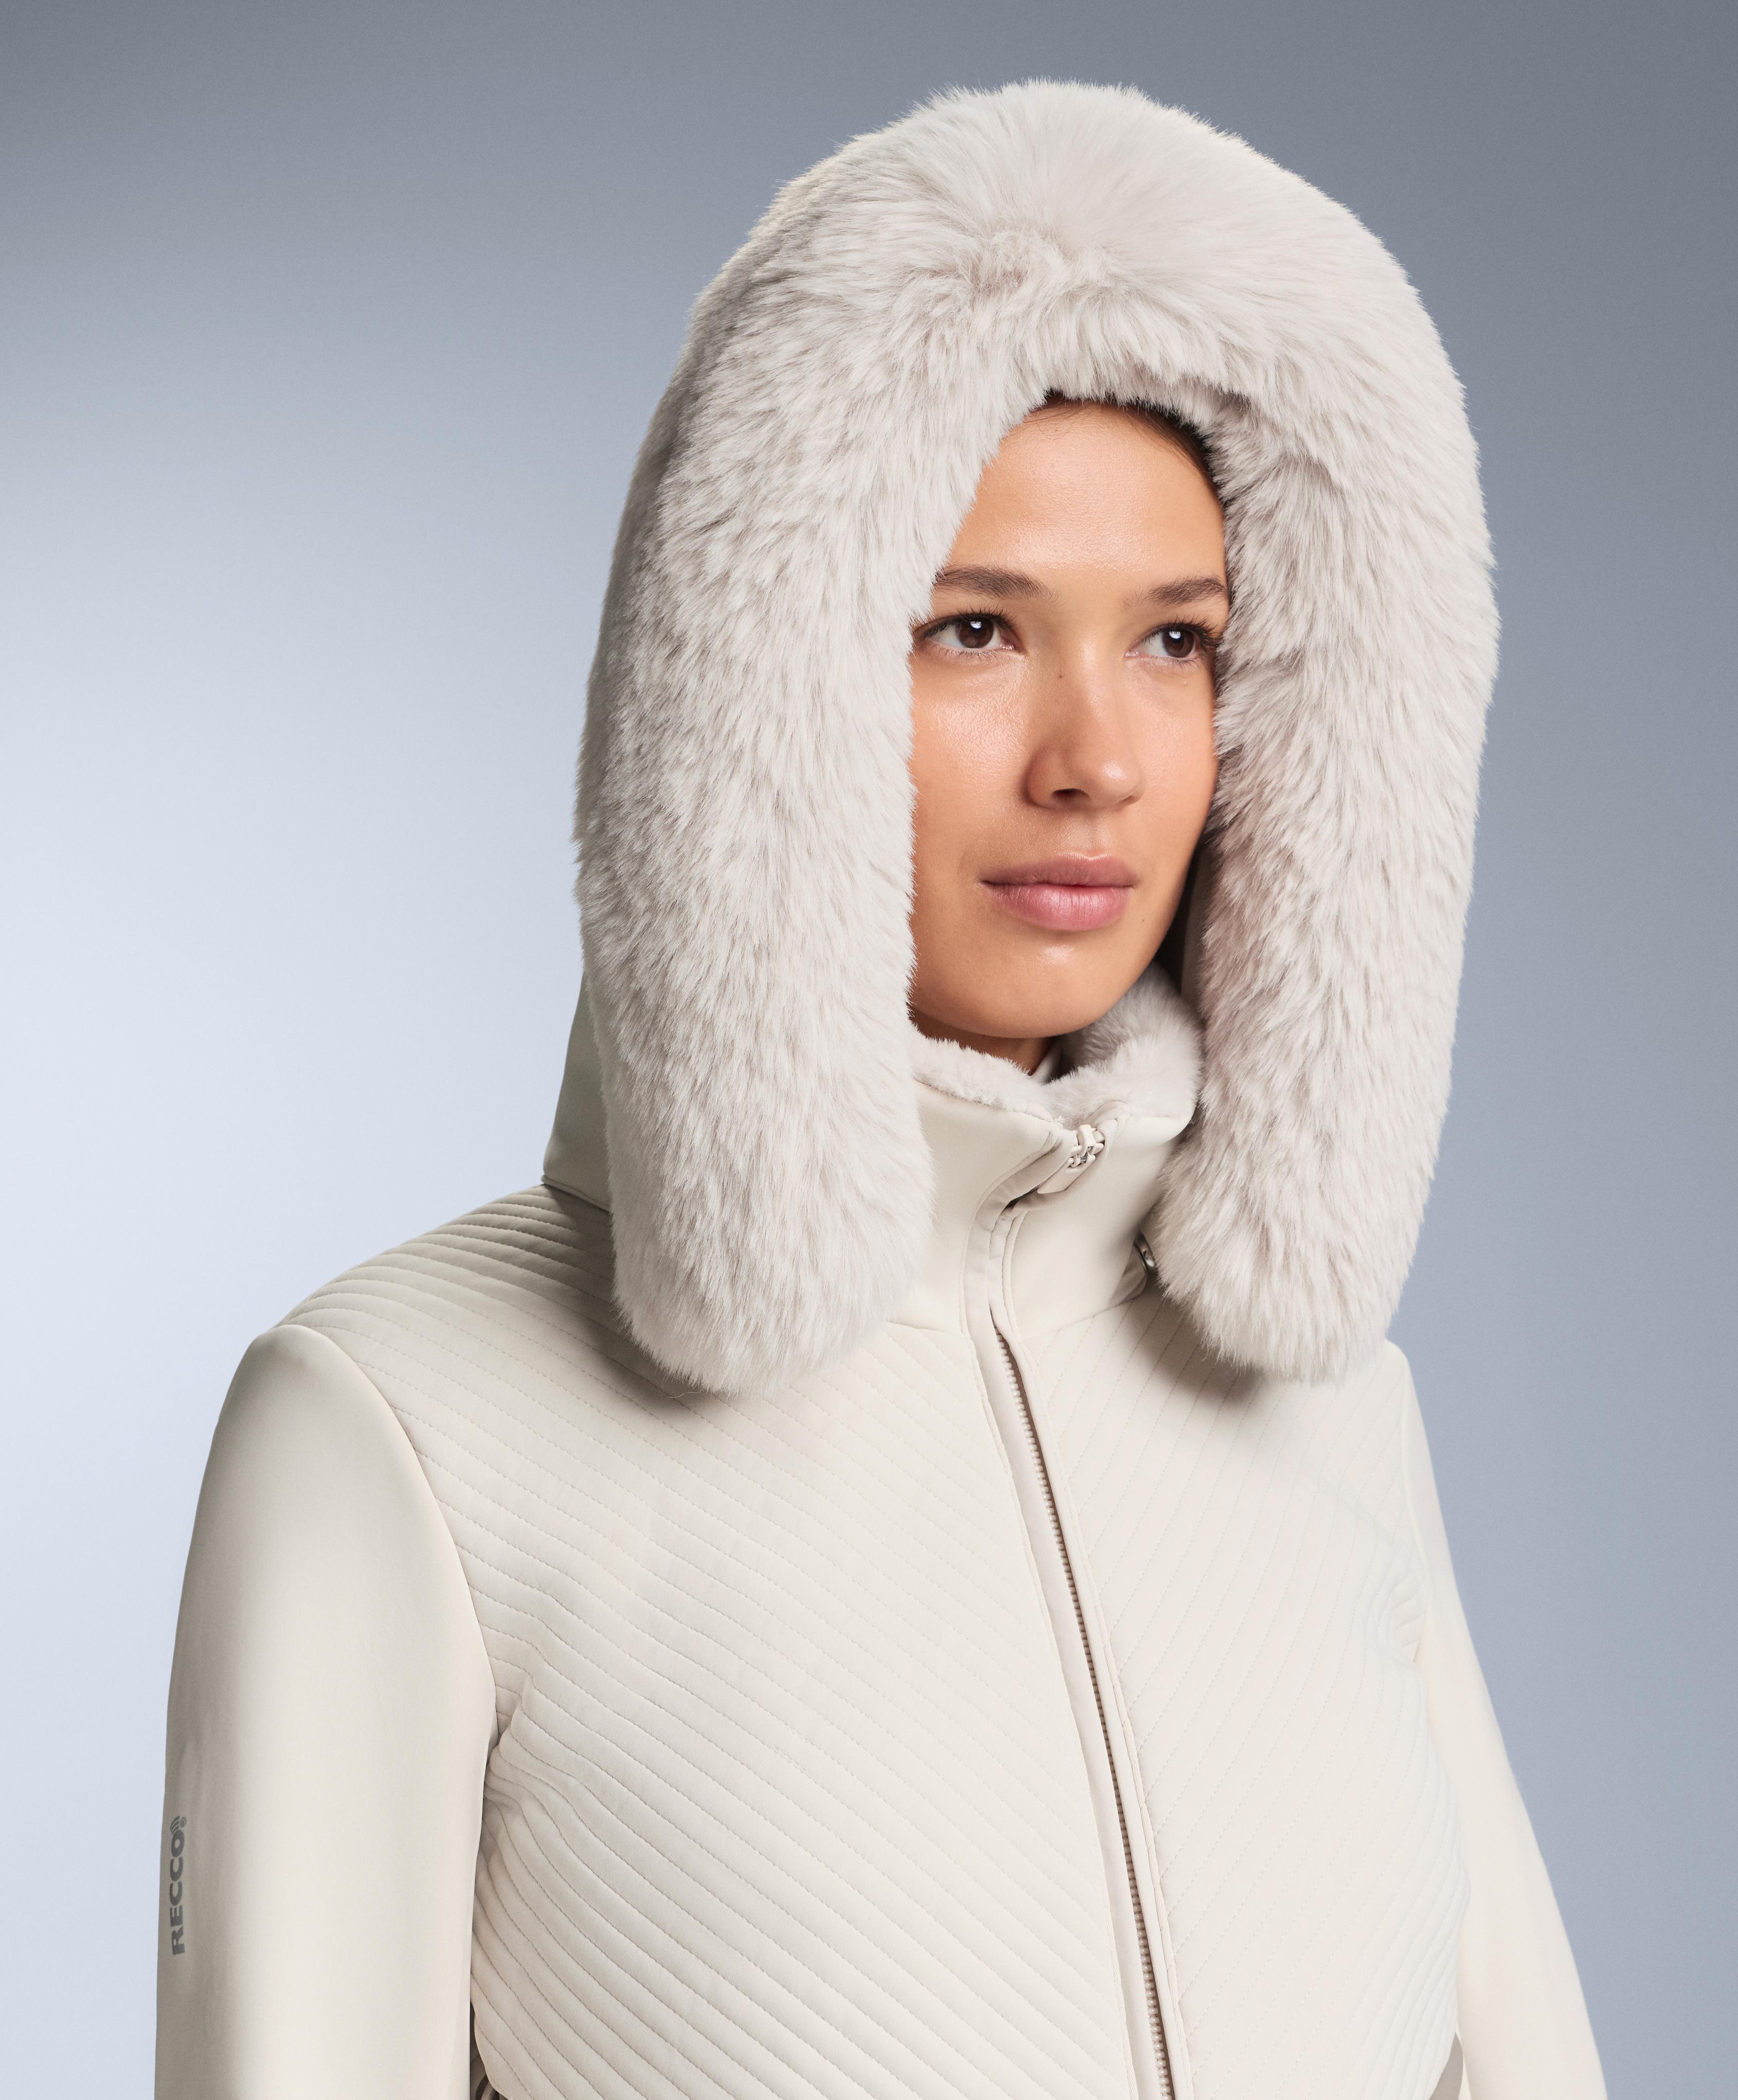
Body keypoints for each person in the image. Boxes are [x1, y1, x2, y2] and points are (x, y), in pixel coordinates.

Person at [155, 82, 1607, 2100]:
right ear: (757, 675)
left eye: (1177, 642)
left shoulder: (1336, 1413)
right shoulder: (400, 1420)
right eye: (974, 629)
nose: (1097, 758)